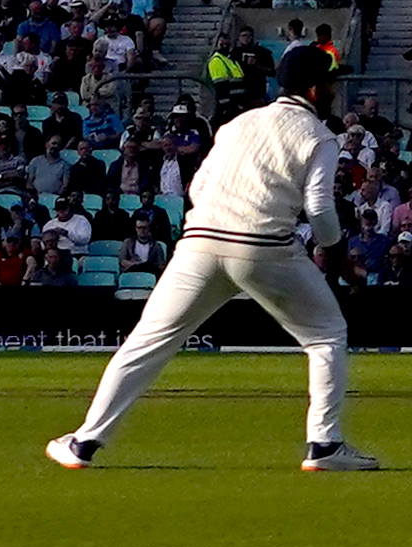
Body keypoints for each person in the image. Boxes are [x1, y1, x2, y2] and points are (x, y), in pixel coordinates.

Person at [50, 43, 372, 473]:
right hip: (263, 246)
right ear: (315, 90)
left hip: (199, 242)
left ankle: (84, 441)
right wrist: (341, 264)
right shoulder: (318, 136)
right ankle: (325, 445)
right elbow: (319, 208)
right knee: (326, 334)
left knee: (147, 341)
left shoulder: (238, 124)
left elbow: (196, 190)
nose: (335, 88)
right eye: (331, 82)